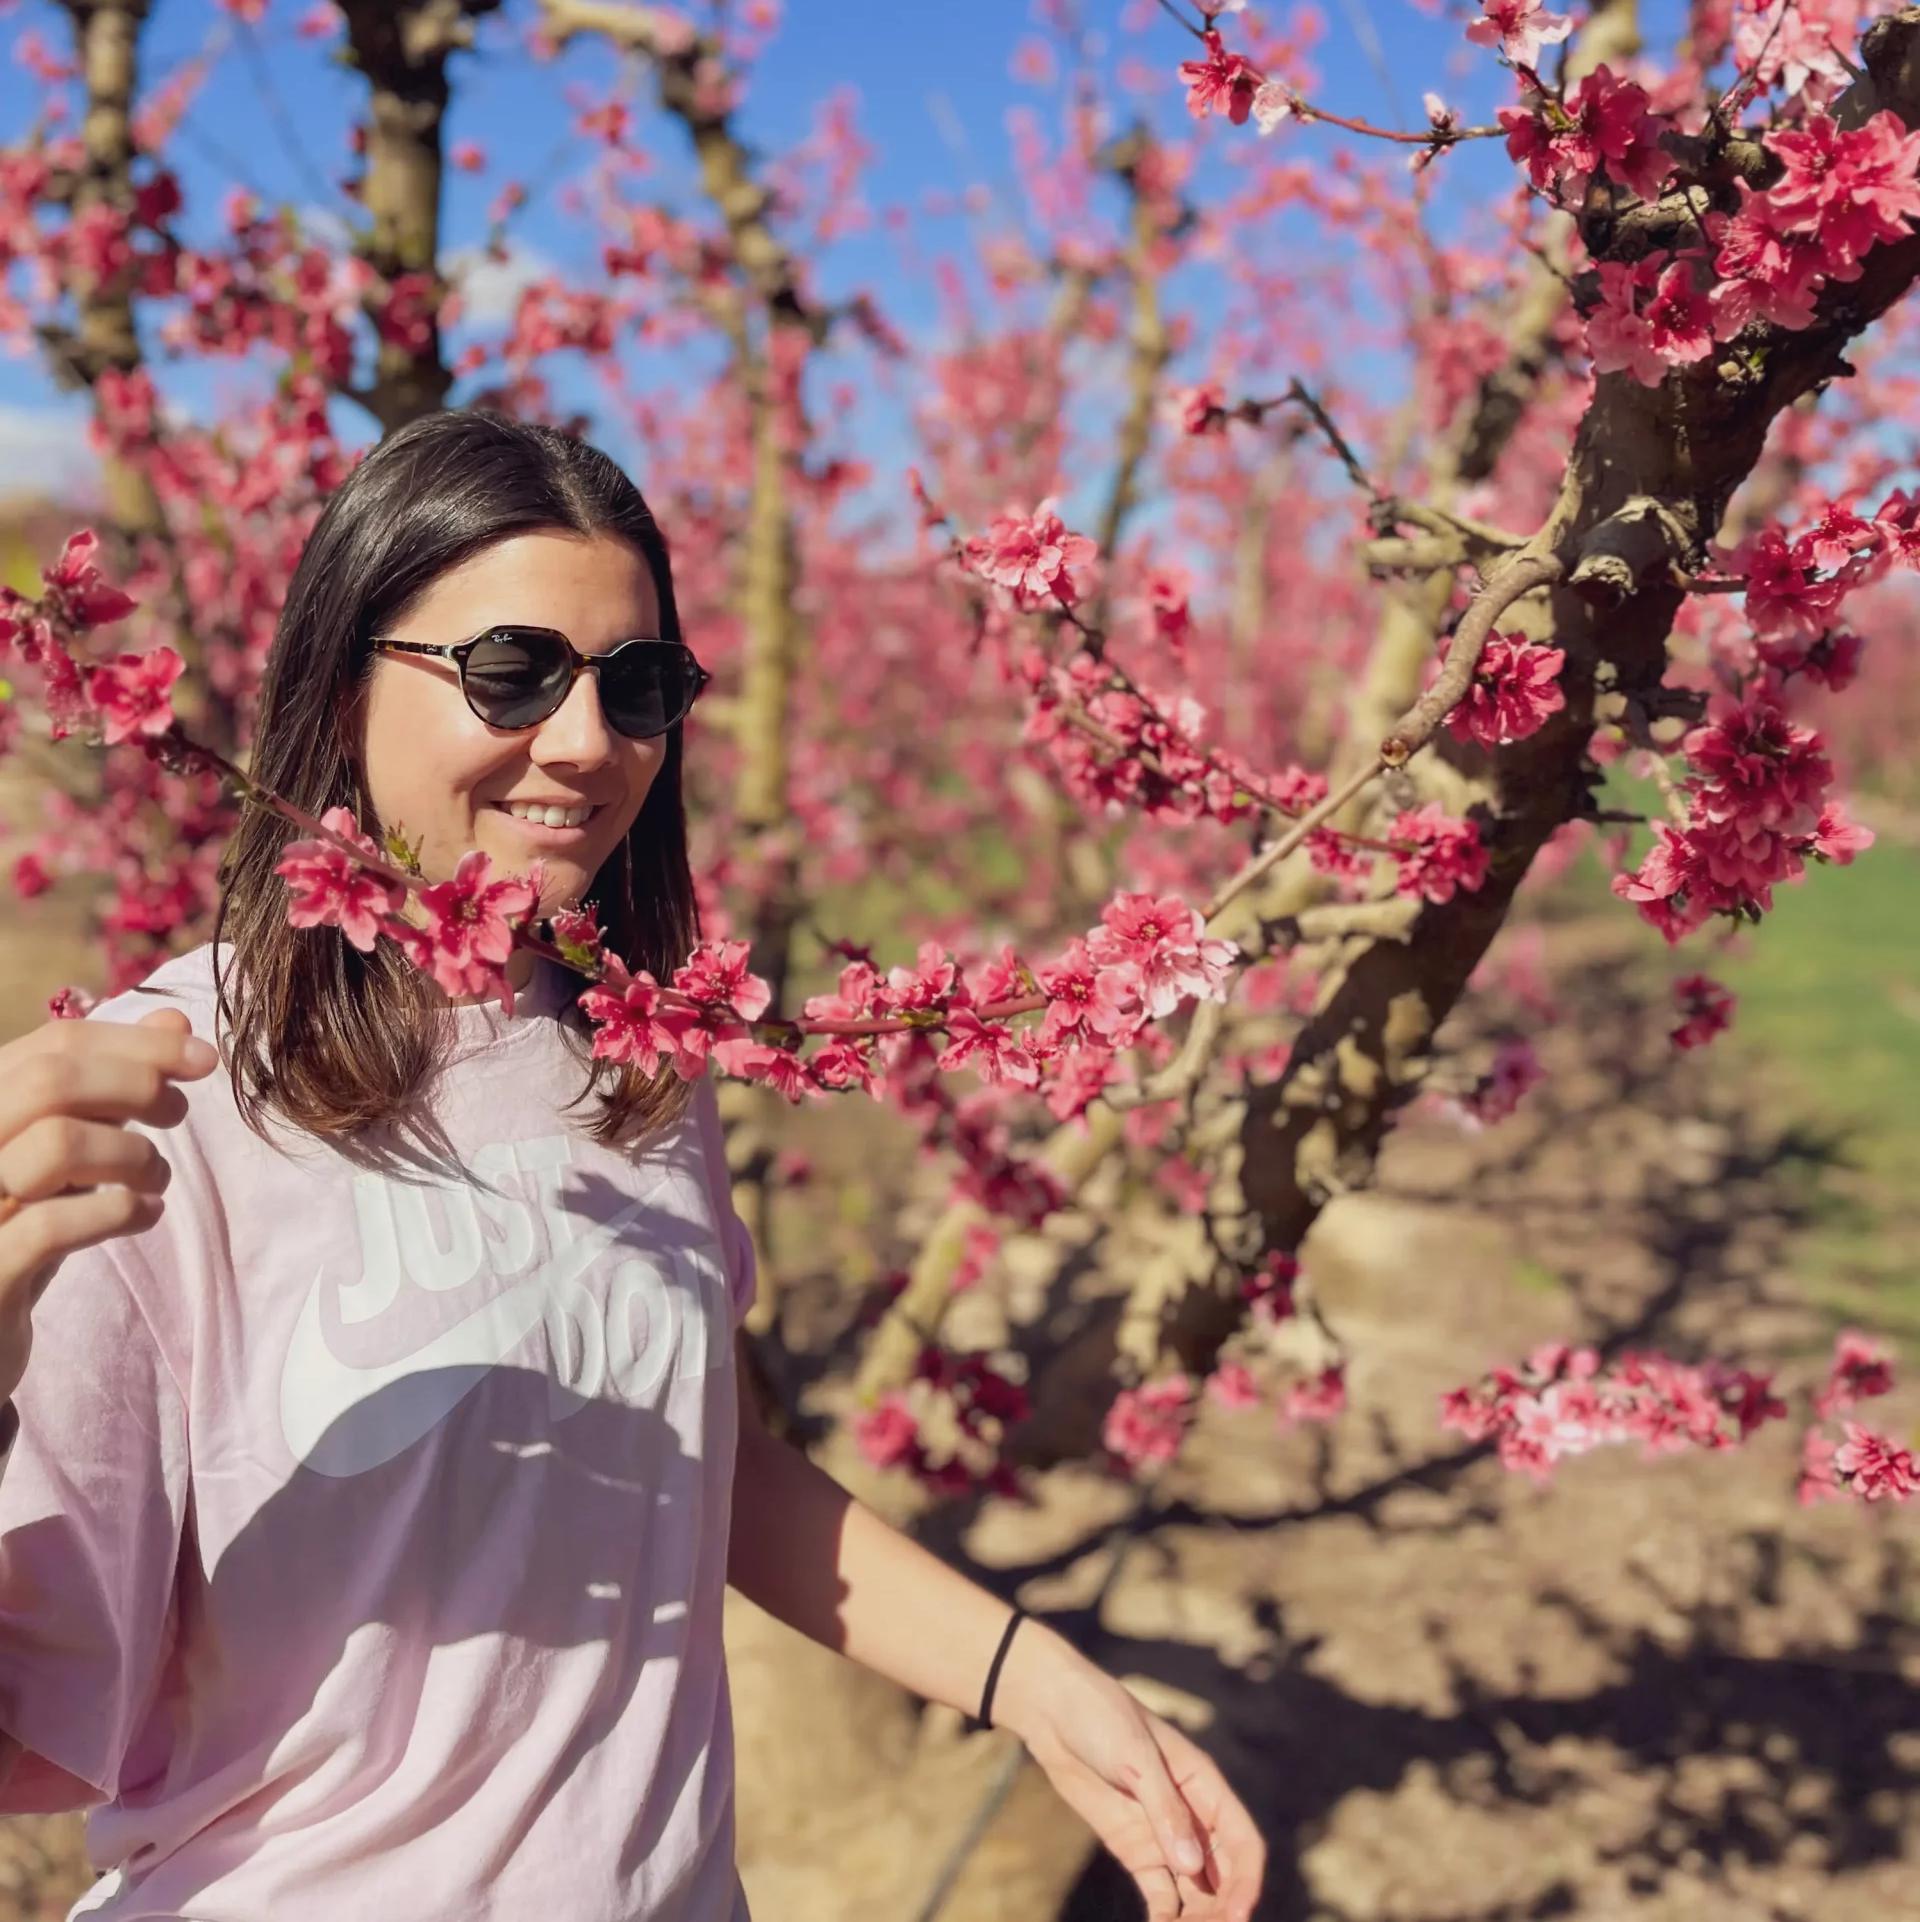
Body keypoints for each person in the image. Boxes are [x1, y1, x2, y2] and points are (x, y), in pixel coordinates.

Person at [0, 410, 1263, 1922]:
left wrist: (1036, 1682)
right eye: (509, 671)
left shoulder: (644, 1057)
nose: (591, 742)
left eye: (640, 685)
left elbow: (690, 1468)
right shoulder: (170, 1091)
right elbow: (27, 1723)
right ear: (342, 693)